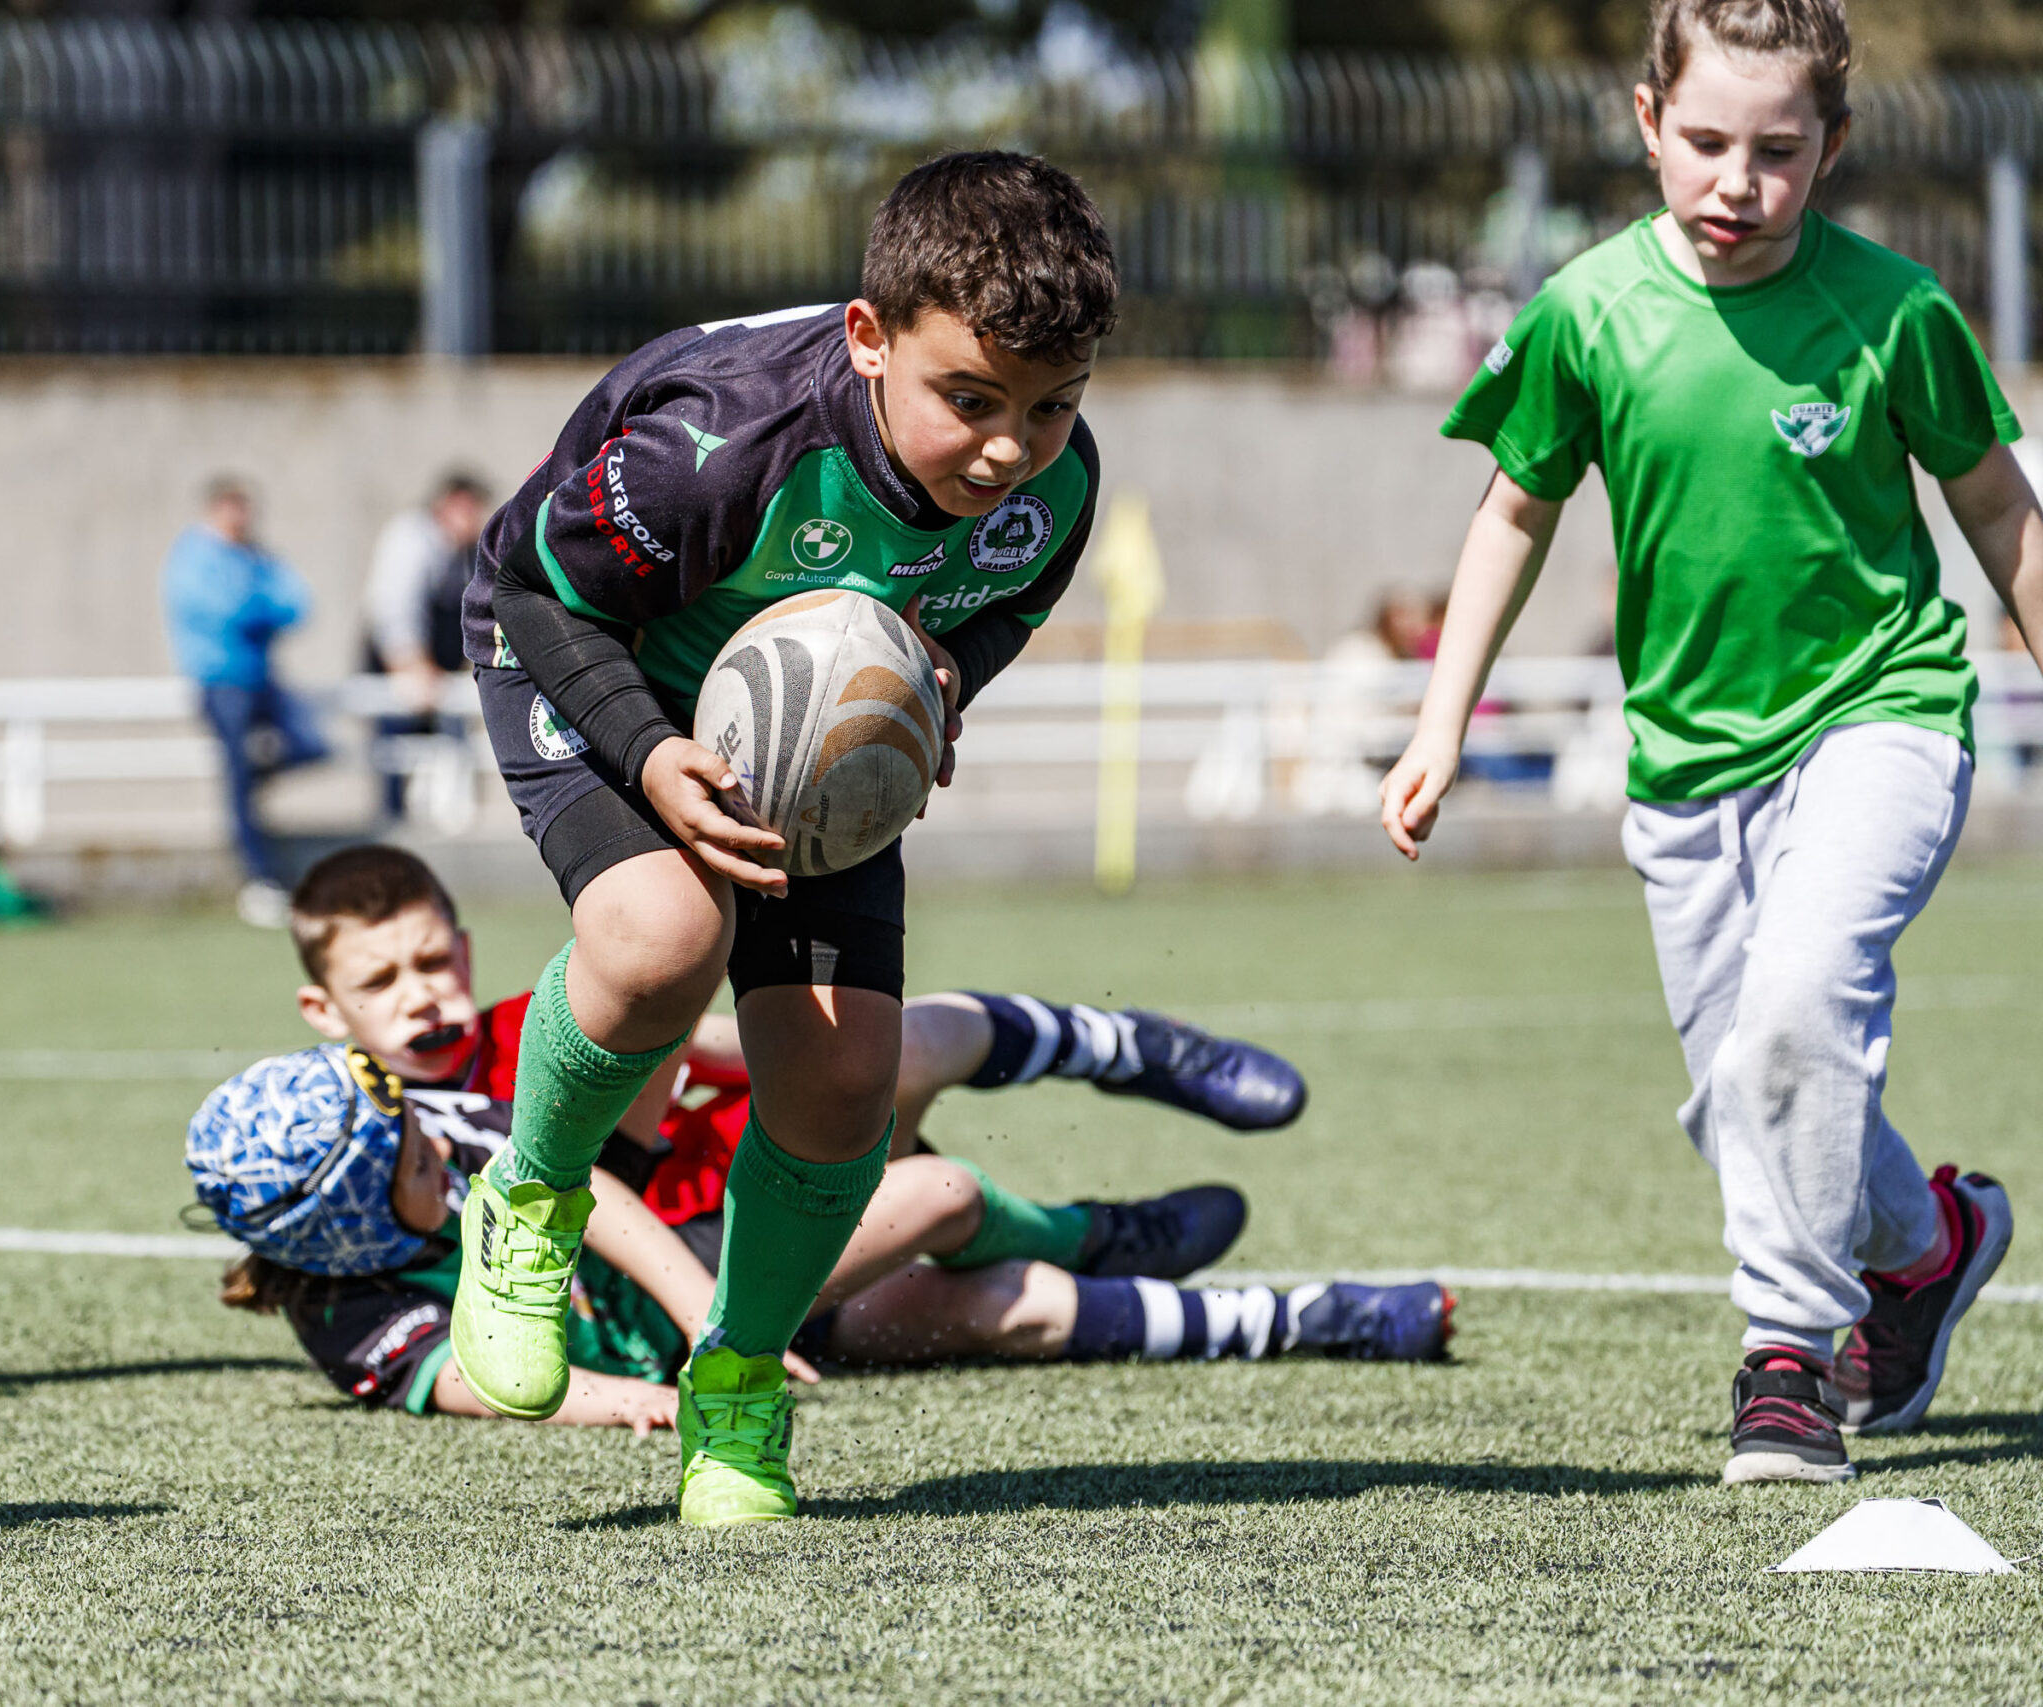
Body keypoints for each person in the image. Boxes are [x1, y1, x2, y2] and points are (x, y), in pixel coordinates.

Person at [1378, 0, 2025, 1487]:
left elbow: (1999, 512)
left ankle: (1791, 1358)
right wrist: (1439, 720)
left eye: (1780, 151)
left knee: (1800, 1004)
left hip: (1884, 709)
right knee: (1740, 1089)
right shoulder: (1586, 312)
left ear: (1833, 149)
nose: (1741, 180)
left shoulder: (1898, 312)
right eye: (1712, 142)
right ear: (1649, 123)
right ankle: (1927, 1244)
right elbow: (1513, 513)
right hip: (1688, 762)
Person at [455, 152, 1114, 1524]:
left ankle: (738, 1374)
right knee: (658, 938)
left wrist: (943, 676)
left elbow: (1005, 600)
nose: (1011, 447)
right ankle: (527, 1197)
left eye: (1053, 406)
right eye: (971, 400)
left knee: (842, 1079)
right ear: (870, 339)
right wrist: (646, 747)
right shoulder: (727, 441)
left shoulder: (1054, 483)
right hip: (585, 646)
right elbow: (537, 582)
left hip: (797, 714)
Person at [182, 847, 1449, 1434]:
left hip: (739, 1209)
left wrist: (814, 1056)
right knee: (994, 1293)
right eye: (381, 978)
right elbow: (497, 1383)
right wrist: (671, 1396)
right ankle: (1297, 1312)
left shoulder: (529, 1037)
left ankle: (1122, 1050)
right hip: (733, 1258)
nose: (422, 996)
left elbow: (596, 1168)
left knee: (879, 1054)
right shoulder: (353, 1309)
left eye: (430, 958)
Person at [161, 476, 328, 928]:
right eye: (233, 510)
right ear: (215, 510)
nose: (241, 520)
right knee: (236, 777)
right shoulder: (194, 556)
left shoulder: (256, 556)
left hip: (261, 679)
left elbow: (296, 603)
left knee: (313, 744)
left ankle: (250, 779)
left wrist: (254, 608)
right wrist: (258, 608)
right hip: (221, 683)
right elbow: (222, 609)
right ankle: (259, 878)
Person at [362, 471, 487, 821]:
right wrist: (411, 664)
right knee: (395, 762)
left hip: (442, 678)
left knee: (454, 760)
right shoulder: (410, 538)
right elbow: (394, 608)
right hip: (400, 672)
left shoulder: (468, 553)